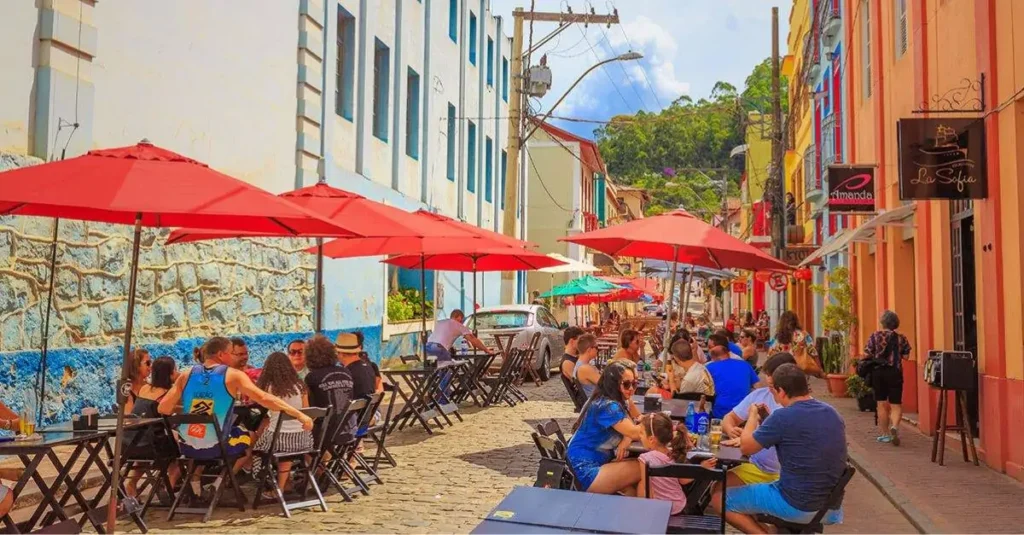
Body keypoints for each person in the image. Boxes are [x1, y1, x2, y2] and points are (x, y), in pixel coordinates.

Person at [158, 337, 313, 498]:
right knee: (248, 438)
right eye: (232, 353)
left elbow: (163, 408)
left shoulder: (186, 374)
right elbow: (265, 398)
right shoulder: (232, 375)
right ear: (221, 354)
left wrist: (198, 409)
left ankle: (195, 486)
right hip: (217, 446)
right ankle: (219, 483)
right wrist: (299, 414)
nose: (234, 357)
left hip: (188, 445)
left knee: (202, 434)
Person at [714, 364, 846, 533]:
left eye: (773, 391)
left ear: (781, 391)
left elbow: (746, 447)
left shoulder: (783, 416)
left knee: (720, 498)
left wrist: (753, 416)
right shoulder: (832, 412)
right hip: (830, 507)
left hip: (796, 503)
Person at [720, 353, 797, 488]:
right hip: (757, 467)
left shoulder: (795, 406)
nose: (770, 387)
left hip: (783, 474)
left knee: (723, 492)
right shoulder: (761, 395)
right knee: (719, 487)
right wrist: (731, 430)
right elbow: (729, 418)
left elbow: (751, 446)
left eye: (774, 386)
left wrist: (749, 438)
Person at [566, 362, 644, 494]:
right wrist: (658, 422)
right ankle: (648, 511)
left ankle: (634, 511)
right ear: (614, 384)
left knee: (632, 487)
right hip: (583, 471)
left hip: (589, 464)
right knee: (644, 467)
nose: (631, 388)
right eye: (626, 384)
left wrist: (626, 438)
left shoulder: (611, 401)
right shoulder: (608, 406)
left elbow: (631, 427)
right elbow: (636, 432)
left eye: (634, 384)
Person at [252, 351, 313, 497]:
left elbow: (263, 408)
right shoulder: (300, 386)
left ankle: (275, 485)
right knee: (280, 445)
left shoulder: (269, 388)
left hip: (279, 439)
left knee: (256, 448)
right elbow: (306, 410)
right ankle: (286, 482)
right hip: (304, 439)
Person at [636, 412, 717, 514]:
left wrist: (650, 513)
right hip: (677, 506)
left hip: (659, 509)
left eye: (641, 433)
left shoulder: (644, 459)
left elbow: (647, 489)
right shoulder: (675, 454)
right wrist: (701, 467)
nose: (640, 436)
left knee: (640, 486)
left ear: (651, 439)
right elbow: (683, 480)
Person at [124, 356, 180, 497]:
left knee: (150, 447)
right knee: (181, 453)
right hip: (152, 446)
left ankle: (131, 482)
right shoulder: (168, 393)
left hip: (130, 443)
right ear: (171, 373)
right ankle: (169, 487)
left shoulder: (144, 388)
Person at [863, 310, 912, 446]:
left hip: (878, 373)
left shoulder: (875, 336)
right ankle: (895, 426)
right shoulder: (901, 338)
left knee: (881, 404)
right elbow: (907, 357)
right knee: (896, 404)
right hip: (895, 373)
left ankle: (885, 435)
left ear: (882, 322)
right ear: (896, 323)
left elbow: (866, 353)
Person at [302, 335, 354, 445]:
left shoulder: (312, 377)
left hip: (326, 433)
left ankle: (315, 461)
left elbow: (310, 409)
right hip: (350, 429)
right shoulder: (346, 372)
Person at [706, 345, 760, 419]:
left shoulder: (710, 367)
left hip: (721, 411)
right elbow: (757, 386)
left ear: (713, 358)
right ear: (728, 354)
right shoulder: (745, 364)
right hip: (744, 411)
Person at [424, 309, 491, 364]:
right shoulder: (458, 325)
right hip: (439, 348)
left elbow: (441, 337)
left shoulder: (441, 322)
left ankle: (433, 379)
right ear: (458, 316)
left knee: (437, 368)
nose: (461, 322)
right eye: (461, 319)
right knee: (448, 369)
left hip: (427, 346)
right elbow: (473, 339)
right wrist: (486, 350)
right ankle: (444, 380)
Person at [769, 311, 822, 378]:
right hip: (799, 368)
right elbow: (813, 352)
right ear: (796, 321)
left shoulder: (777, 336)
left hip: (781, 369)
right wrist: (819, 369)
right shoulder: (803, 334)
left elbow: (771, 354)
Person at [336, 332, 382, 400]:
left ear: (342, 354)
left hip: (354, 409)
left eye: (337, 353)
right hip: (369, 409)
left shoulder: (346, 373)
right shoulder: (369, 367)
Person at [560, 327, 586, 408]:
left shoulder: (575, 357)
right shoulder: (567, 362)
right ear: (572, 341)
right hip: (585, 399)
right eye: (580, 341)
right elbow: (580, 382)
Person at [124, 348, 153, 415]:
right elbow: (128, 417)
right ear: (136, 365)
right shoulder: (127, 391)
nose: (151, 366)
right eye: (148, 363)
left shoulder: (150, 386)